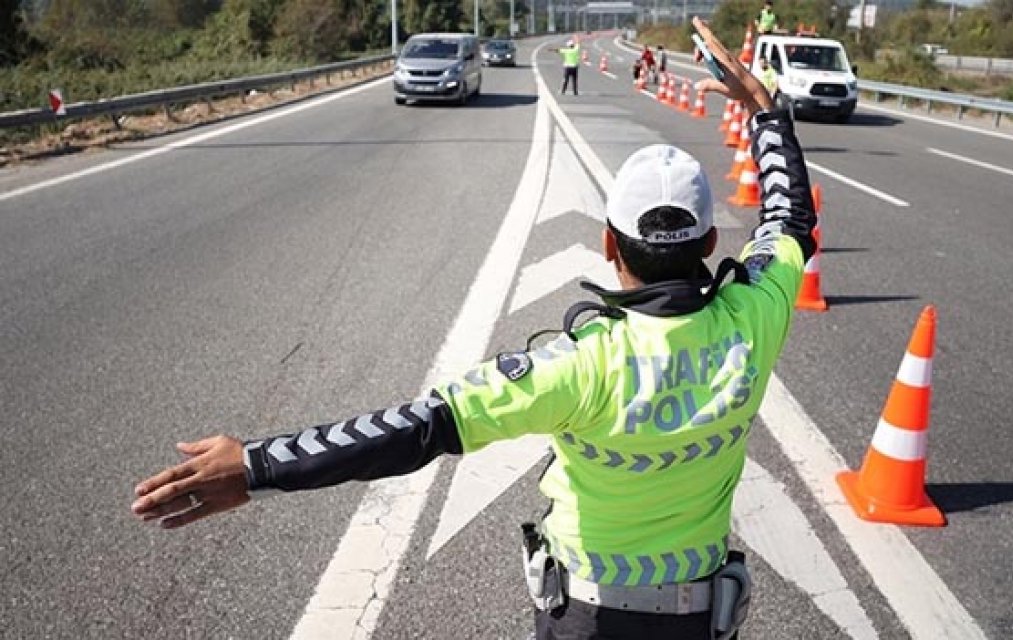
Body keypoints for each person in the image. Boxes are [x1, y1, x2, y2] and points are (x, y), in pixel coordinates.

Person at [130, 16, 816, 640]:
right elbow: (788, 221)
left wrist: (255, 466)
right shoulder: (755, 316)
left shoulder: (579, 365)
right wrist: (764, 110)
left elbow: (413, 430)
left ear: (610, 244)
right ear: (707, 243)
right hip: (700, 623)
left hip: (587, 622)